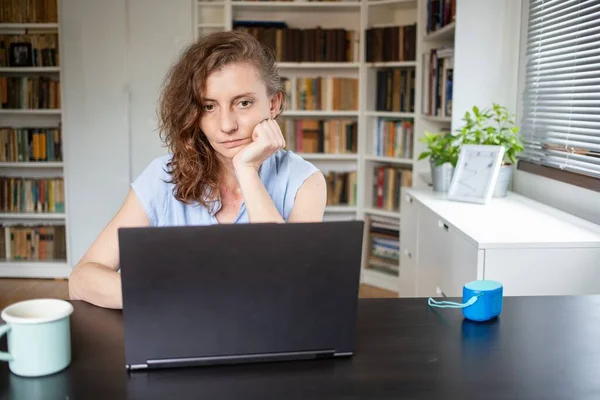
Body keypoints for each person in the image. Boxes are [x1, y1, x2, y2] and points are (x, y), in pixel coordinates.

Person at [68, 31, 327, 309]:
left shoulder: (305, 182)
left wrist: (247, 169)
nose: (227, 125)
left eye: (243, 103)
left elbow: (292, 285)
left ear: (273, 104)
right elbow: (81, 278)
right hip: (178, 335)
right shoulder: (162, 177)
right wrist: (164, 294)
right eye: (209, 106)